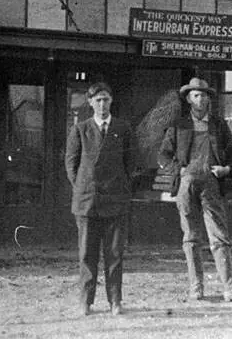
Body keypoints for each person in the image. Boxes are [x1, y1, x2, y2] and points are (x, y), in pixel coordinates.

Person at [158, 77, 232, 303]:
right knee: (191, 237)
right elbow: (164, 155)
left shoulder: (218, 124)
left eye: (205, 95)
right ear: (189, 99)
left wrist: (226, 169)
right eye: (196, 95)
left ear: (209, 99)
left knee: (219, 236)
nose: (201, 99)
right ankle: (196, 287)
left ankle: (230, 288)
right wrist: (180, 170)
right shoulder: (179, 125)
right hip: (186, 184)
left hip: (211, 184)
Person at [65, 82, 134, 316]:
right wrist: (85, 188)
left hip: (115, 202)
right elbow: (71, 165)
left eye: (106, 99)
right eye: (98, 100)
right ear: (90, 102)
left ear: (111, 101)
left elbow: (131, 165)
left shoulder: (123, 129)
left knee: (114, 254)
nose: (102, 104)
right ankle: (86, 301)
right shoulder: (81, 129)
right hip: (87, 203)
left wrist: (120, 190)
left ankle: (115, 301)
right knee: (87, 254)